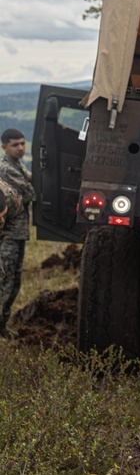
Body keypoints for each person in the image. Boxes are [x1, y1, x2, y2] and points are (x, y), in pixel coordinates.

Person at [0, 128, 34, 338]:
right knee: (4, 281)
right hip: (8, 235)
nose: (20, 148)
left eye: (22, 143)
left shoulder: (17, 165)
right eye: (15, 144)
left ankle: (2, 326)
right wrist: (31, 186)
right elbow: (29, 193)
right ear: (4, 146)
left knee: (14, 281)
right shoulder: (5, 168)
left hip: (18, 233)